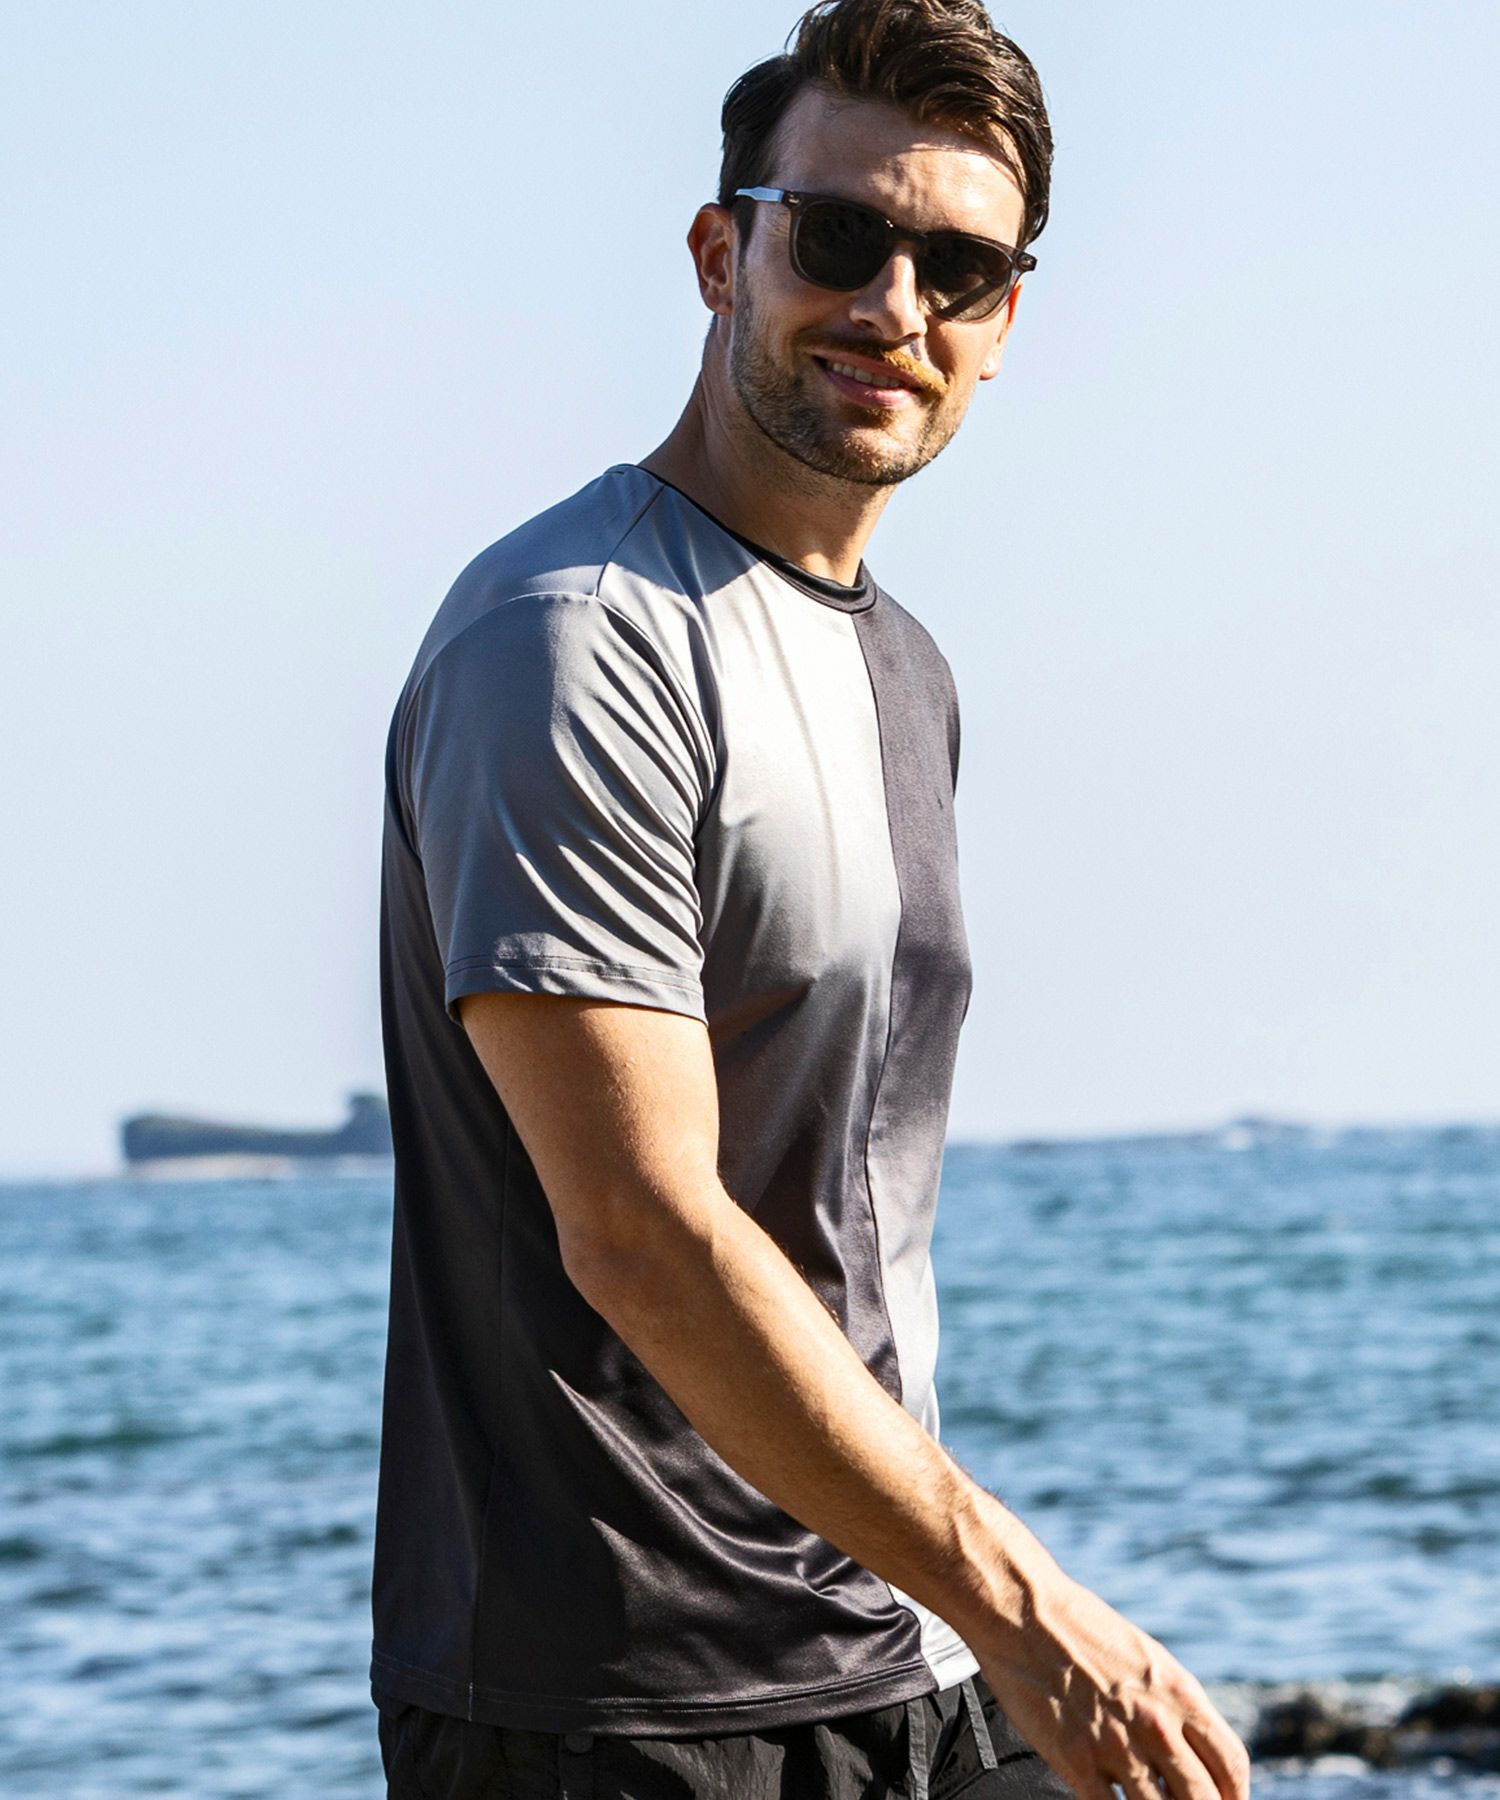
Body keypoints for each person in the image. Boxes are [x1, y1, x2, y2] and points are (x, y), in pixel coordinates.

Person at [370, 2, 1252, 1796]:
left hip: (897, 1638)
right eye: (839, 237)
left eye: (959, 267)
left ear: (1005, 323)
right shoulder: (576, 643)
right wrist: (1033, 1607)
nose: (892, 306)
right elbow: (642, 1229)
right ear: (723, 253)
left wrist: (975, 1610)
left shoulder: (904, 668)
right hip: (625, 1708)